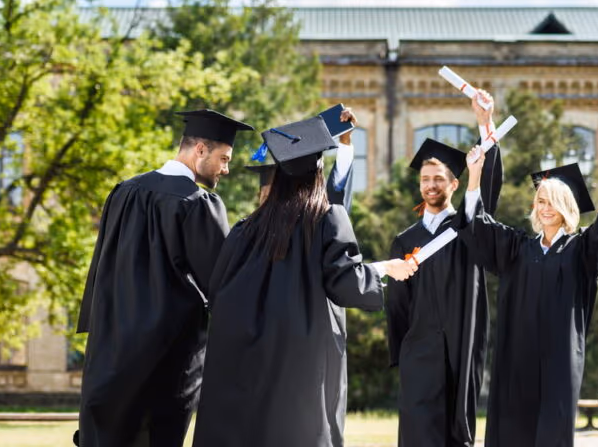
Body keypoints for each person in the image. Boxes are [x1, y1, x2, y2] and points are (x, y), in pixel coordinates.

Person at [193, 116, 418, 447]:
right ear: (317, 174)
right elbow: (345, 282)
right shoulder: (326, 219)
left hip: (242, 361)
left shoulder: (245, 229)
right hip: (298, 364)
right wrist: (383, 268)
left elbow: (217, 289)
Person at [75, 109, 253, 447]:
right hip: (167, 363)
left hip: (108, 359)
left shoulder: (123, 193)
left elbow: (100, 270)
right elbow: (225, 284)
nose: (226, 168)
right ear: (200, 149)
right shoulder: (198, 204)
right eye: (224, 158)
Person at [461, 144, 598, 447]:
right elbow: (479, 226)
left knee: (554, 426)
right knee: (514, 425)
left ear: (566, 206)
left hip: (559, 359)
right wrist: (474, 175)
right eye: (540, 201)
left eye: (553, 201)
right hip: (518, 354)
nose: (545, 207)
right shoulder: (517, 249)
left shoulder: (580, 249)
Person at [385, 93, 504, 447]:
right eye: (425, 179)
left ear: (455, 184)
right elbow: (397, 306)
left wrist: (485, 124)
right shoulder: (405, 240)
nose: (431, 185)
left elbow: (489, 185)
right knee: (419, 433)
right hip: (419, 350)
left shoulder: (469, 229)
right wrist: (402, 353)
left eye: (439, 178)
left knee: (458, 433)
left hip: (461, 345)